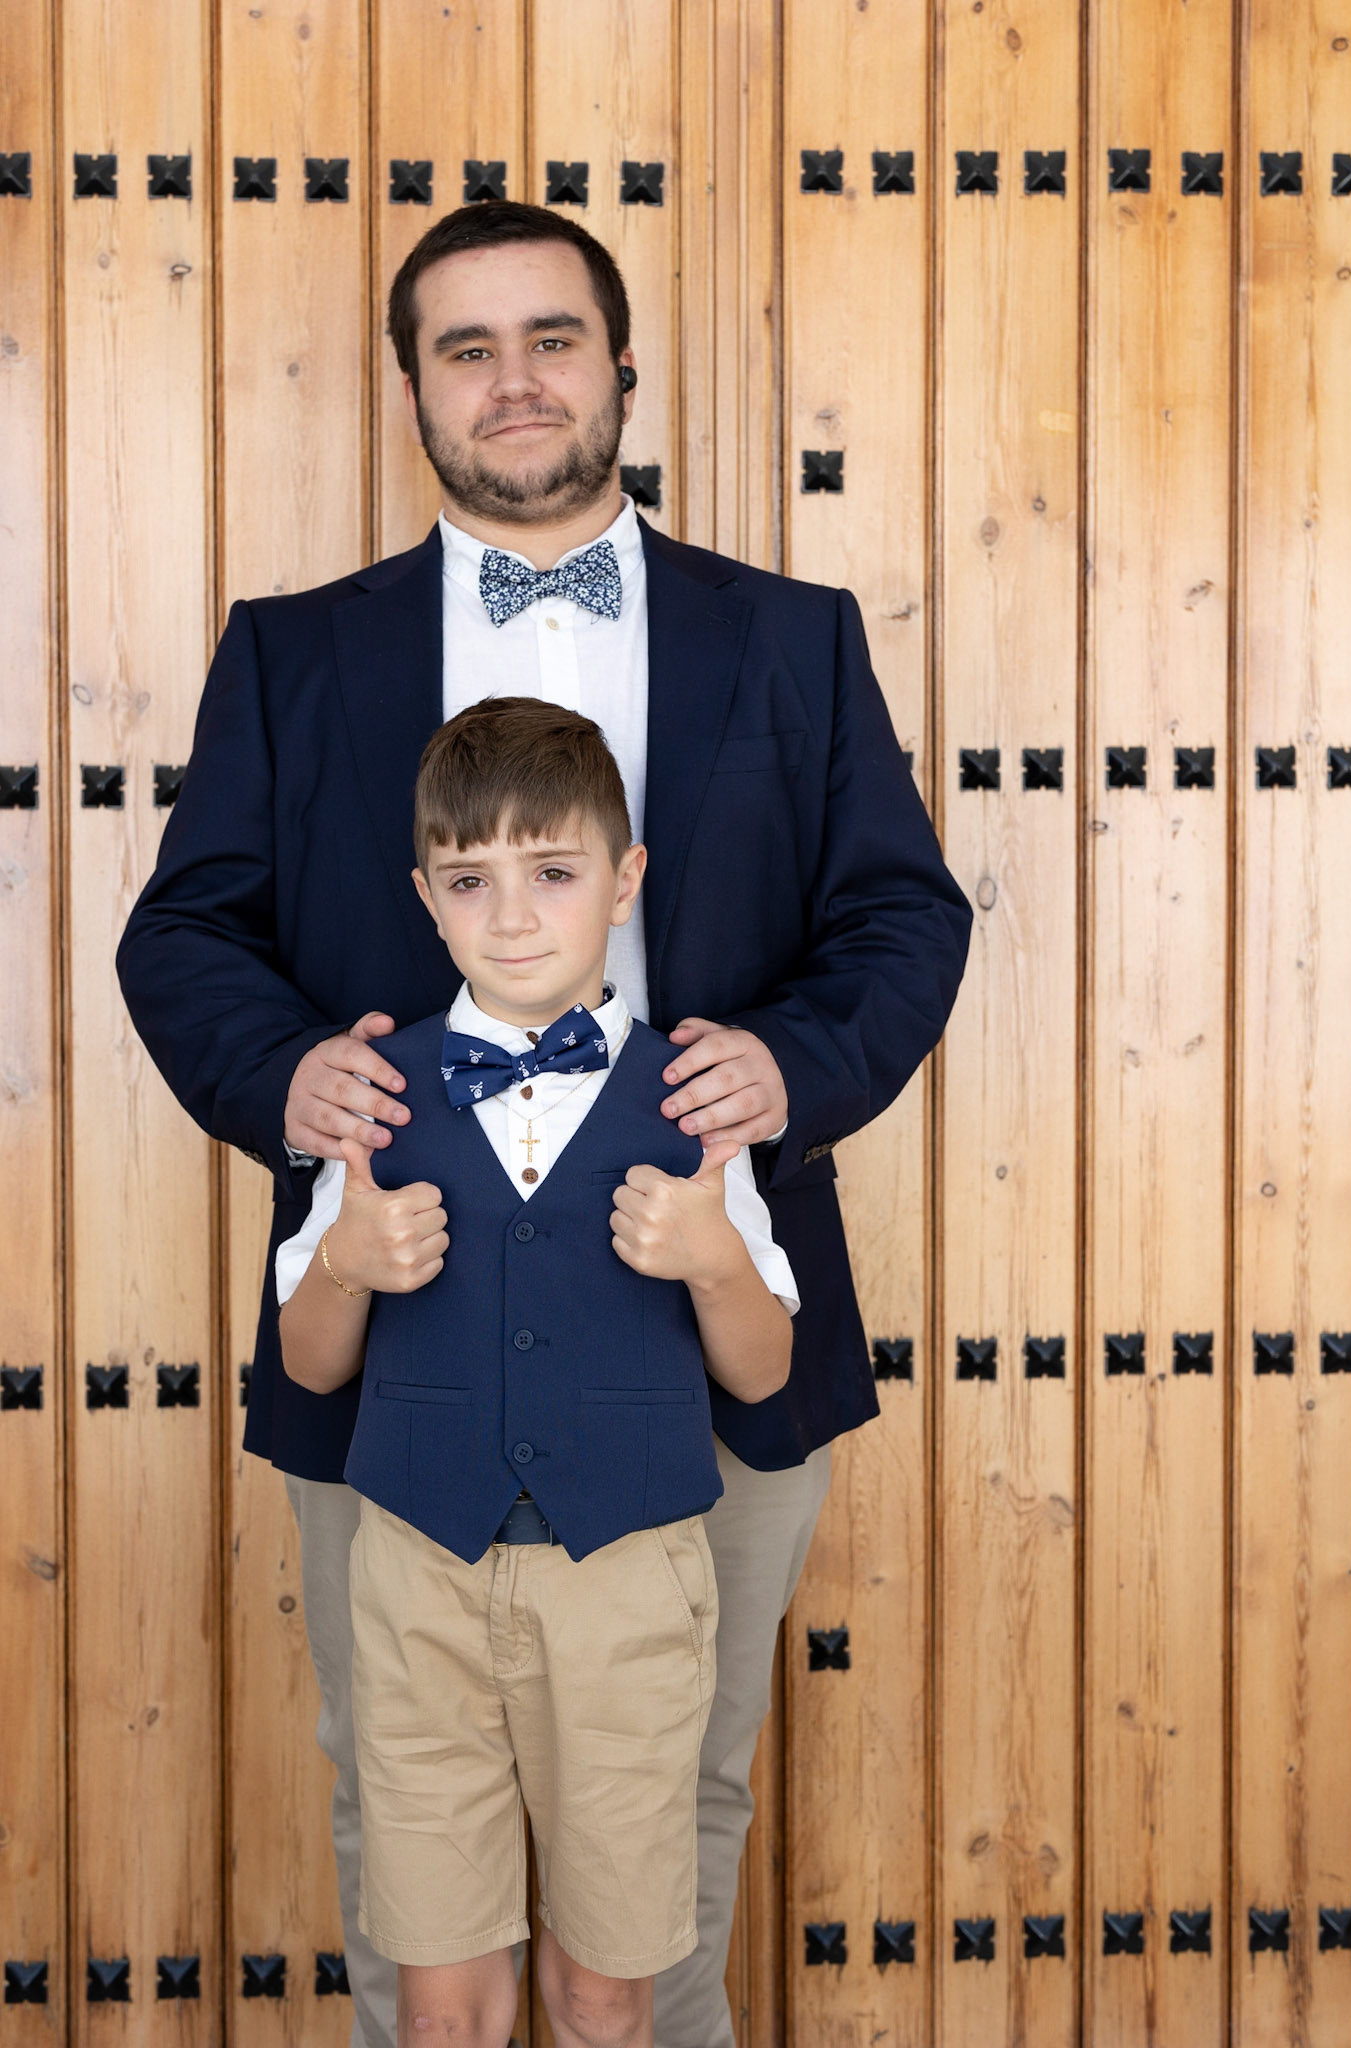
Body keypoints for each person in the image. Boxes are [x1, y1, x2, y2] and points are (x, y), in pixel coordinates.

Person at [117, 198, 971, 2048]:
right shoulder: (293, 652)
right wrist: (287, 1079)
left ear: (621, 366)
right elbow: (183, 934)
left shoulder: (791, 639)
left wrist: (788, 1067)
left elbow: (901, 918)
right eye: (466, 349)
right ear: (413, 391)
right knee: (399, 1815)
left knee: (680, 1802)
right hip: (392, 1321)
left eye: (552, 339)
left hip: (715, 1306)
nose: (513, 381)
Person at [277, 698, 795, 2048]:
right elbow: (307, 1364)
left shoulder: (695, 1099)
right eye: (470, 882)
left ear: (624, 881)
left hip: (625, 1581)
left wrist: (711, 1261)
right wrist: (346, 1263)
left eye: (553, 872)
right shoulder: (370, 1096)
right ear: (425, 898)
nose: (511, 918)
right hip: (417, 1580)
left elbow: (762, 1374)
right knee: (445, 2008)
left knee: (601, 1991)